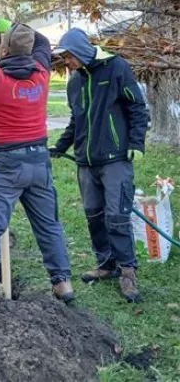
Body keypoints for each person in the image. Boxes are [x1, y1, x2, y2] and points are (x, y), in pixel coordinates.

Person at [0, 15, 73, 308]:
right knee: (49, 225)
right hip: (40, 163)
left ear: (3, 51)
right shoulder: (42, 71)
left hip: (9, 165)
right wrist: (13, 28)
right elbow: (42, 42)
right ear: (29, 51)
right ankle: (62, 284)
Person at [49, 28, 147, 303]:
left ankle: (127, 271)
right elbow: (75, 120)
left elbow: (137, 108)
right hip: (86, 162)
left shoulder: (116, 67)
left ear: (80, 52)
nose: (66, 63)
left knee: (117, 217)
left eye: (68, 57)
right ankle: (107, 265)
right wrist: (61, 146)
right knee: (94, 216)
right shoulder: (75, 82)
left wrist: (136, 143)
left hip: (116, 159)